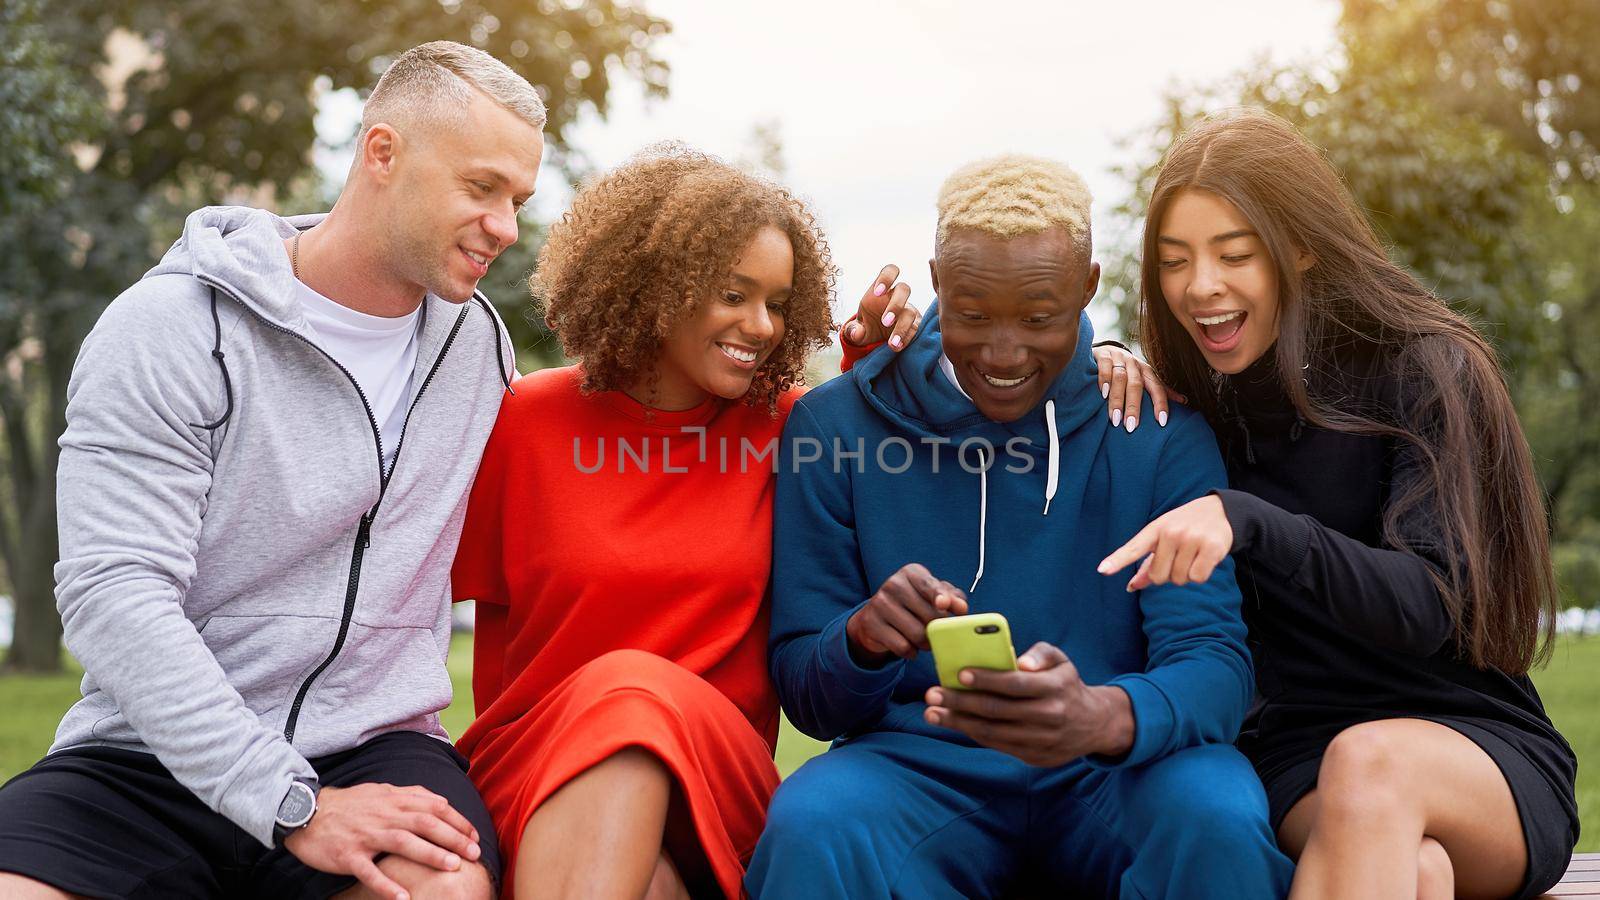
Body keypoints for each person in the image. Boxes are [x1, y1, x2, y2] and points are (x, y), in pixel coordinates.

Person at [0, 41, 543, 900]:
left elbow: (607, 428)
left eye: (517, 199)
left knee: (440, 888)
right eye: (482, 188)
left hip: (373, 742)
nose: (507, 227)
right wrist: (291, 805)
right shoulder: (173, 328)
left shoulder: (477, 346)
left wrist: (841, 380)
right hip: (148, 752)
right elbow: (113, 589)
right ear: (382, 153)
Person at [747, 155, 1294, 899]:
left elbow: (1213, 665)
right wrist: (863, 639)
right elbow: (806, 692)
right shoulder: (833, 427)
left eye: (1040, 318)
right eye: (972, 315)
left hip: (1118, 766)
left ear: (1088, 287)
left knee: (1215, 814)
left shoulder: (1158, 434)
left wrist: (1102, 715)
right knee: (815, 822)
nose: (1003, 354)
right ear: (938, 280)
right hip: (918, 768)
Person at [1095, 108, 1578, 899]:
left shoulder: (1426, 368)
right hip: (1298, 755)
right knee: (1414, 872)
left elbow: (1432, 606)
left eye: (1234, 254)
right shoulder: (1196, 411)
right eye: (1174, 261)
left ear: (1302, 247)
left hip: (1476, 751)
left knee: (1372, 765)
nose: (1199, 286)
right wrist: (1105, 354)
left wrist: (1251, 523)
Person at [450, 144, 918, 900]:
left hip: (712, 768)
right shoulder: (529, 418)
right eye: (733, 295)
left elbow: (943, 454)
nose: (761, 325)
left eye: (776, 301)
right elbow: (494, 643)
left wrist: (876, 375)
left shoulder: (793, 430)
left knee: (631, 692)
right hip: (536, 764)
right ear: (655, 285)